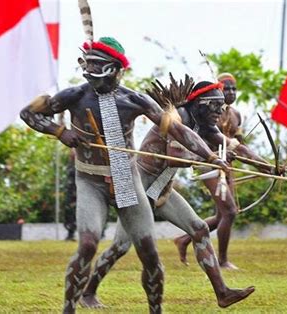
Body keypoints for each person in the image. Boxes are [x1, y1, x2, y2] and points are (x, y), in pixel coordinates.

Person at [20, 38, 228, 314]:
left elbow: (180, 131)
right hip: (90, 180)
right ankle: (68, 310)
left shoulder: (134, 100)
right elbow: (28, 114)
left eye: (97, 65)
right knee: (87, 245)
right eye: (88, 63)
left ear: (115, 70)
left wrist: (210, 156)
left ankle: (156, 311)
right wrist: (60, 132)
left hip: (127, 180)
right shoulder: (74, 96)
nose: (90, 70)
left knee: (149, 255)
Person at [80, 79, 262, 309]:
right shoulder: (176, 118)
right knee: (120, 246)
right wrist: (213, 158)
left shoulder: (205, 124)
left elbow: (237, 147)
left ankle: (222, 293)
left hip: (162, 188)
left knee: (199, 229)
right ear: (200, 104)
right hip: (140, 188)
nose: (220, 111)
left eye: (221, 106)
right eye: (215, 105)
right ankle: (87, 293)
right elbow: (176, 155)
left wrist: (268, 167)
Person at [174, 73, 268, 269]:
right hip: (207, 162)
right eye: (227, 88)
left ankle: (184, 239)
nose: (231, 92)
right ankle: (223, 261)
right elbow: (201, 140)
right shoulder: (204, 113)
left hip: (226, 163)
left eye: (234, 88)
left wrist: (264, 164)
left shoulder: (235, 115)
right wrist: (216, 156)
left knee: (222, 215)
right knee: (230, 211)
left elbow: (238, 144)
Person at [63, 149, 77, 241]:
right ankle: (70, 233)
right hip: (71, 191)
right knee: (69, 211)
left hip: (82, 190)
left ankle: (100, 233)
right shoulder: (70, 165)